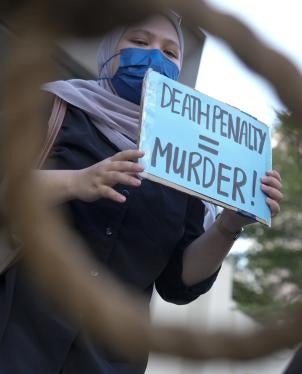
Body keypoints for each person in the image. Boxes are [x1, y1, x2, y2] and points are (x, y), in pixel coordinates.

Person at [0, 11, 283, 373]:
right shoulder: (57, 108)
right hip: (15, 336)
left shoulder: (186, 161)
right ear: (109, 50)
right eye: (138, 41)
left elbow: (178, 281)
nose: (154, 57)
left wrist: (230, 224)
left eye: (170, 52)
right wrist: (78, 181)